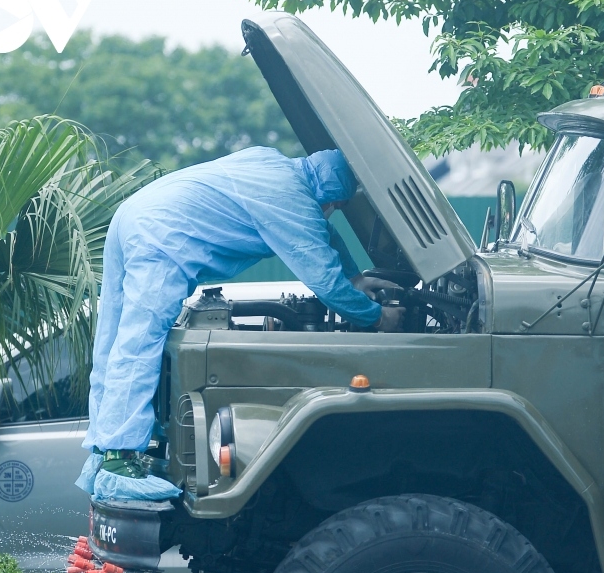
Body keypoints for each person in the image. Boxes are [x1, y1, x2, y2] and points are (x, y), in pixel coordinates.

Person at [75, 147, 401, 501]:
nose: (334, 211)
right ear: (330, 192)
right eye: (336, 204)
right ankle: (118, 461)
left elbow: (322, 233)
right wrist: (377, 317)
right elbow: (324, 282)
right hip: (163, 234)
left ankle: (102, 450)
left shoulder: (275, 165)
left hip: (134, 214)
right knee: (140, 342)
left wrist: (354, 277)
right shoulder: (290, 199)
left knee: (113, 338)